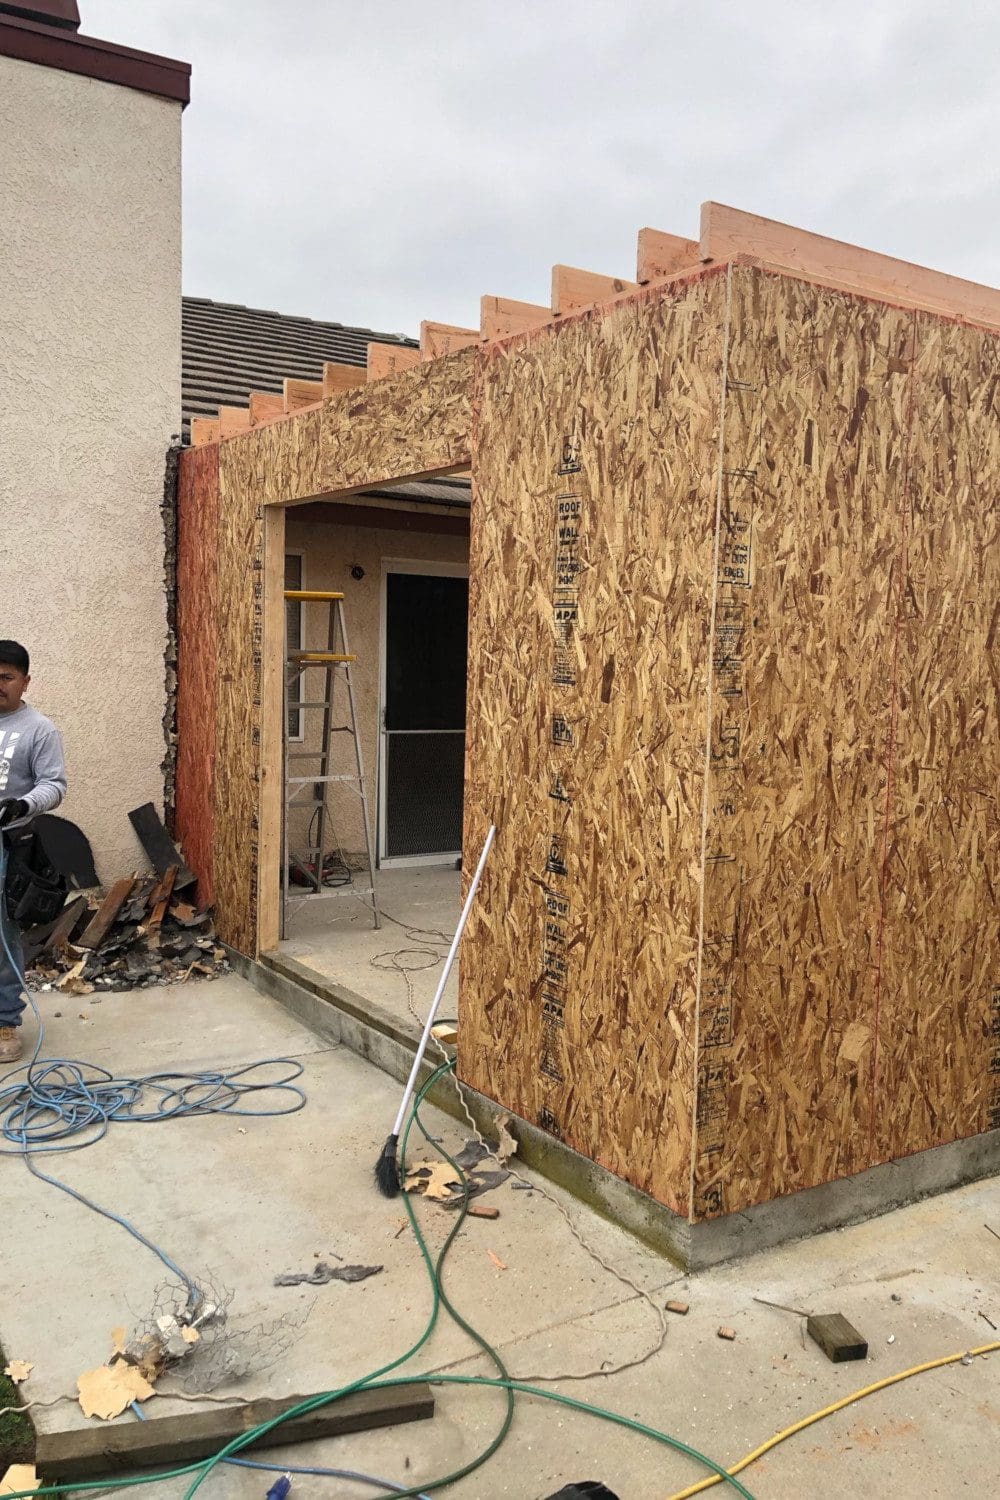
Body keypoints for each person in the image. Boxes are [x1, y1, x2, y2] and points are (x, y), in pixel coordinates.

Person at [0, 641, 67, 1063]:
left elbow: (55, 785)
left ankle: (5, 1022)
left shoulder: (39, 729)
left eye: (6, 677)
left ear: (25, 681)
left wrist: (24, 804)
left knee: (2, 936)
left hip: (7, 845)